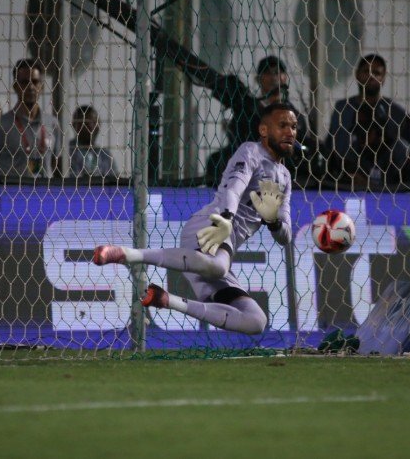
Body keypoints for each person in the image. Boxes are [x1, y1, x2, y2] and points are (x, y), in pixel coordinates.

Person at [92, 102, 298, 335]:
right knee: (219, 266)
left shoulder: (285, 178)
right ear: (263, 130)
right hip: (210, 227)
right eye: (282, 125)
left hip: (217, 254)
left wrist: (273, 222)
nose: (290, 132)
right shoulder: (251, 152)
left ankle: (167, 300)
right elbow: (234, 189)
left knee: (256, 321)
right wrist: (227, 218)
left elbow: (286, 236)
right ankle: (128, 254)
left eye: (293, 127)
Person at [204, 56, 317, 186]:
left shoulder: (294, 114)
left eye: (278, 72)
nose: (274, 77)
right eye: (268, 73)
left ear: (285, 77)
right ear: (258, 79)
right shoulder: (248, 109)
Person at [324, 54, 410, 189]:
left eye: (376, 73)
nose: (371, 76)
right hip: (345, 180)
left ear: (383, 78)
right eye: (366, 71)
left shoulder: (397, 114)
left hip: (389, 185)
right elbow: (331, 146)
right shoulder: (342, 109)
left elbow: (408, 157)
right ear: (357, 74)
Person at [0, 59, 64, 180]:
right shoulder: (0, 126)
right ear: (15, 86)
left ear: (42, 86)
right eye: (24, 82)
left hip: (45, 196)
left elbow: (57, 167)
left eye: (35, 82)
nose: (30, 87)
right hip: (13, 196)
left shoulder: (53, 124)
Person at [68, 105, 119, 180]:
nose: (92, 127)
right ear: (75, 125)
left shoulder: (105, 155)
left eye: (95, 122)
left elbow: (115, 181)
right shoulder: (68, 151)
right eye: (86, 123)